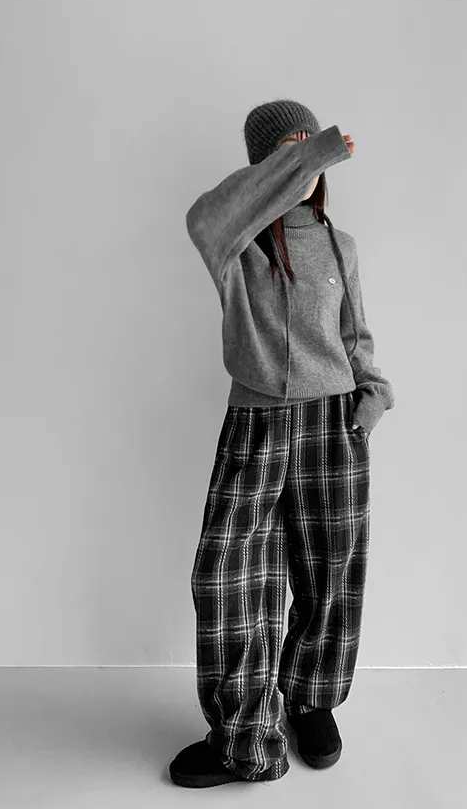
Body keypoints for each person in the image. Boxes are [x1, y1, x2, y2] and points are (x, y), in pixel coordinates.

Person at [169, 99, 394, 789]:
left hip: (334, 426)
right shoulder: (236, 245)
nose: (305, 170)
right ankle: (244, 739)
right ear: (265, 169)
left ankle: (309, 697)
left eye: (308, 153)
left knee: (329, 572)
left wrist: (372, 398)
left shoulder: (339, 245)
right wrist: (306, 154)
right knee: (228, 575)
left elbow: (355, 337)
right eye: (287, 156)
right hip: (258, 425)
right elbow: (203, 218)